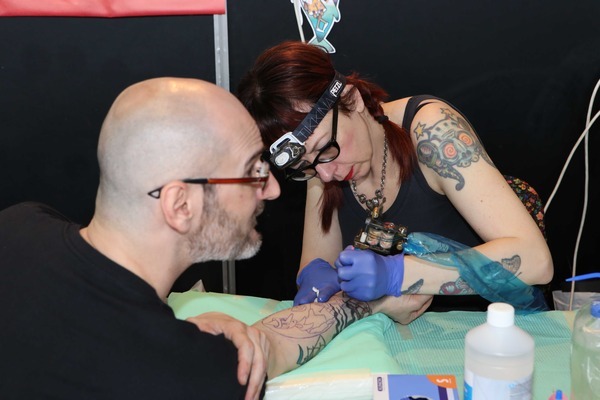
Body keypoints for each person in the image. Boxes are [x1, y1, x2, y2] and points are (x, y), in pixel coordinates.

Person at [0, 77, 432, 400]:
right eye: (252, 172)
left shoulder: (17, 223)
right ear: (180, 204)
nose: (272, 190)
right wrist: (365, 303)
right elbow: (264, 351)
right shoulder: (187, 376)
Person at [237, 40, 554, 311]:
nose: (326, 174)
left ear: (351, 99)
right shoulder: (321, 164)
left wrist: (397, 275)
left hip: (492, 332)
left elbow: (536, 261)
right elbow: (317, 267)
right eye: (305, 166)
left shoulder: (432, 131)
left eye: (324, 148)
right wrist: (319, 278)